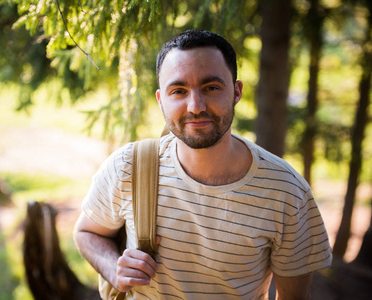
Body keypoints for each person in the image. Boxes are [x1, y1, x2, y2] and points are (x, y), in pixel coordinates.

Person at [74, 29, 332, 299]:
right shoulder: (128, 166)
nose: (195, 106)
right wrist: (114, 269)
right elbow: (86, 232)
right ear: (161, 100)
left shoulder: (286, 191)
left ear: (236, 91)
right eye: (179, 91)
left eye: (211, 88)